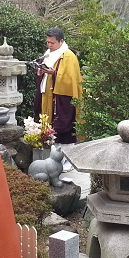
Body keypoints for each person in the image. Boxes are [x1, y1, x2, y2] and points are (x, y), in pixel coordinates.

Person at [34, 28, 83, 171]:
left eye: (52, 43)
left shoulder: (68, 56)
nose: (49, 45)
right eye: (48, 42)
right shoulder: (48, 54)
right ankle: (54, 159)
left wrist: (54, 73)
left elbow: (70, 79)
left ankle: (68, 160)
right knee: (50, 128)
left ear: (61, 41)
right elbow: (43, 74)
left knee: (64, 127)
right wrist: (40, 72)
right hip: (47, 95)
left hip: (63, 98)